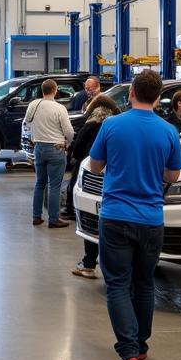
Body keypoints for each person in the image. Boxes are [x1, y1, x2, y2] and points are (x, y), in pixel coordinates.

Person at [87, 69, 181, 360]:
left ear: (130, 94)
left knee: (117, 284)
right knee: (144, 284)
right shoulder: (168, 131)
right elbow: (173, 176)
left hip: (115, 216)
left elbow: (94, 165)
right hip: (151, 219)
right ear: (158, 98)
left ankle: (128, 354)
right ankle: (140, 345)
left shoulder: (112, 125)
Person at [67, 93, 121, 277]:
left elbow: (79, 147)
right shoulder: (117, 124)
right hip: (115, 178)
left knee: (92, 219)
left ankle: (88, 263)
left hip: (91, 176)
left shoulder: (93, 122)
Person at [25, 79, 74, 228]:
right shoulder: (59, 108)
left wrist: (35, 137)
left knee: (40, 183)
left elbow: (27, 122)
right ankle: (54, 219)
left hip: (38, 148)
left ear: (42, 90)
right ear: (55, 90)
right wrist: (68, 143)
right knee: (54, 186)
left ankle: (36, 217)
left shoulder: (33, 105)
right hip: (56, 149)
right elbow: (69, 131)